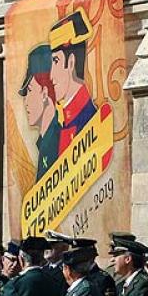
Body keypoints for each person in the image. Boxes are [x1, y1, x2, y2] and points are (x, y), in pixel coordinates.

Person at [47, 9, 98, 152]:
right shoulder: (65, 120)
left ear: (70, 62)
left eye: (56, 61)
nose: (51, 76)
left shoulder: (88, 119)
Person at [19, 44, 62, 179]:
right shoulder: (46, 141)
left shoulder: (54, 142)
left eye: (29, 91)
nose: (25, 102)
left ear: (44, 93)